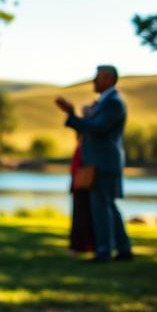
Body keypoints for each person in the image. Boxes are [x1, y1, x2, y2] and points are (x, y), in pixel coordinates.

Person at [55, 64, 133, 263]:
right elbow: (93, 127)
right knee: (109, 206)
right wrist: (74, 114)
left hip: (103, 163)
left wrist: (72, 117)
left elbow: (97, 128)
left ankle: (104, 252)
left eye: (97, 77)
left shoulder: (113, 103)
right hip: (102, 162)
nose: (93, 81)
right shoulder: (105, 102)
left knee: (101, 208)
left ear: (108, 79)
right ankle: (123, 250)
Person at [67, 104, 95, 254]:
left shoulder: (91, 133)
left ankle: (81, 246)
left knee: (83, 213)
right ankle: (82, 246)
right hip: (79, 177)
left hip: (83, 178)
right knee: (81, 212)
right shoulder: (86, 134)